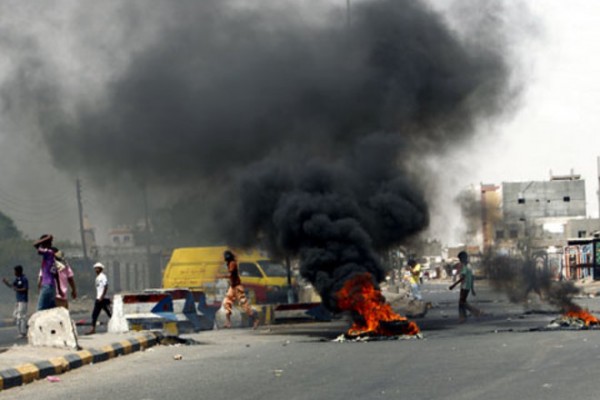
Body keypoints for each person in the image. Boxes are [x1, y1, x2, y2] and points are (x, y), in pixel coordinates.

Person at [221, 250, 259, 329]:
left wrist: (222, 276)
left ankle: (255, 320)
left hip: (237, 287)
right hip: (232, 287)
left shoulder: (232, 263)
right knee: (226, 303)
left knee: (244, 305)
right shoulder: (229, 263)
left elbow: (230, 274)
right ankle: (228, 322)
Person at [449, 251, 484, 322]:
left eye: (460, 259)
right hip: (467, 287)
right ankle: (463, 316)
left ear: (463, 258)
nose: (460, 260)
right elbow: (472, 278)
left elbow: (463, 277)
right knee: (462, 302)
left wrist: (454, 285)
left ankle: (475, 312)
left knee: (462, 302)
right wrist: (472, 289)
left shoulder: (465, 266)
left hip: (464, 286)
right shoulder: (469, 266)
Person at [3, 265, 29, 338]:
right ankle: (25, 327)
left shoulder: (24, 279)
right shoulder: (17, 279)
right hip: (18, 300)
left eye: (15, 271)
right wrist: (6, 283)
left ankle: (23, 333)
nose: (14, 272)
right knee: (15, 316)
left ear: (18, 271)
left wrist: (17, 289)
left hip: (23, 300)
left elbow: (25, 288)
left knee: (22, 316)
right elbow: (12, 286)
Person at [33, 234, 57, 310]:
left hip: (47, 286)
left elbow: (35, 244)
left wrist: (47, 238)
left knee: (40, 310)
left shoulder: (48, 252)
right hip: (52, 287)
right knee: (50, 311)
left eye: (42, 244)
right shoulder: (51, 254)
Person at [86, 262, 111, 335]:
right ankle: (93, 329)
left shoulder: (103, 276)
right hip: (98, 299)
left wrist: (102, 296)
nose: (96, 269)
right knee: (94, 314)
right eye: (95, 268)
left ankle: (118, 326)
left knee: (110, 314)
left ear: (101, 269)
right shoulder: (97, 278)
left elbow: (106, 286)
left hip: (103, 299)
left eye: (98, 268)